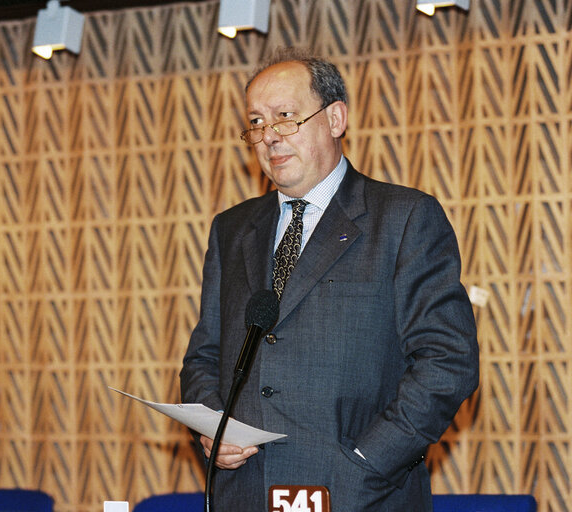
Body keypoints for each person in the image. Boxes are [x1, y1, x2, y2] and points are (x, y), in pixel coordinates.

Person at [179, 47, 479, 512]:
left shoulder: (403, 218)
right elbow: (204, 355)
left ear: (335, 118)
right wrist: (213, 428)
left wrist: (364, 463)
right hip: (246, 493)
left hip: (360, 493)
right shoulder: (232, 229)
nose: (269, 137)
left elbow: (447, 362)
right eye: (256, 123)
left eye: (285, 117)